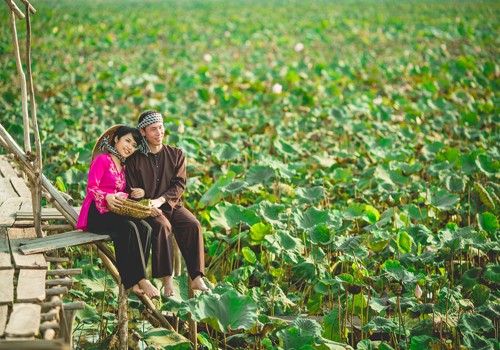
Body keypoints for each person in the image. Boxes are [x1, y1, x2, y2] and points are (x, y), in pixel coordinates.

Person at [126, 110, 208, 298]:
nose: (159, 132)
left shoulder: (176, 154)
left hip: (172, 205)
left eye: (161, 127)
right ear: (143, 132)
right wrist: (147, 203)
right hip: (148, 208)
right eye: (153, 129)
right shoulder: (134, 160)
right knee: (163, 227)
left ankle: (196, 276)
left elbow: (179, 184)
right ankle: (167, 279)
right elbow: (132, 190)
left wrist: (161, 200)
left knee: (193, 224)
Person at [76, 125, 160, 298]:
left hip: (114, 212)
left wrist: (139, 194)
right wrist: (106, 197)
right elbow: (91, 187)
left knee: (146, 227)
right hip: (96, 212)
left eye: (134, 145)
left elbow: (121, 192)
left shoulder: (123, 167)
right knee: (128, 227)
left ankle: (137, 278)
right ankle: (136, 279)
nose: (129, 147)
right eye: (127, 141)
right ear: (116, 139)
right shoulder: (102, 160)